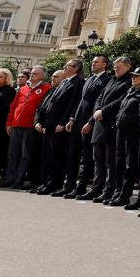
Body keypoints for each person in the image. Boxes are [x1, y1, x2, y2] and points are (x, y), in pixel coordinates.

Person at [0, 65, 51, 189]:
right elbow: (13, 106)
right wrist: (9, 123)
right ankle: (10, 177)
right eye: (32, 73)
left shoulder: (46, 88)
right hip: (16, 125)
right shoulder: (23, 89)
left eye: (35, 74)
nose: (32, 75)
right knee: (13, 153)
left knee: (25, 155)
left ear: (42, 76)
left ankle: (19, 179)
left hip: (30, 126)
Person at [88, 56, 132, 205]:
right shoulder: (112, 79)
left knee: (110, 161)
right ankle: (97, 188)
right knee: (98, 159)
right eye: (114, 67)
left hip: (111, 124)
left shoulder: (128, 81)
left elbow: (121, 101)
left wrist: (103, 111)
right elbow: (100, 96)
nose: (115, 69)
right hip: (100, 122)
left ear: (127, 67)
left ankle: (109, 190)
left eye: (118, 67)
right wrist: (97, 110)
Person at [70, 54, 113, 199]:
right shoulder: (89, 79)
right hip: (79, 121)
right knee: (77, 155)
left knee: (90, 157)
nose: (93, 64)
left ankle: (85, 187)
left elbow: (98, 103)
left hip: (92, 123)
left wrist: (90, 122)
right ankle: (74, 185)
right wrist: (72, 118)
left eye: (96, 62)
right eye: (92, 62)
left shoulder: (106, 80)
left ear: (104, 65)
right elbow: (81, 101)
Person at [47, 59, 86, 196]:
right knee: (54, 155)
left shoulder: (79, 82)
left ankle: (65, 185)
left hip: (62, 125)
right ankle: (53, 182)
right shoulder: (65, 81)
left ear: (76, 69)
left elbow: (73, 103)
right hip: (53, 122)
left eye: (67, 65)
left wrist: (63, 122)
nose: (64, 67)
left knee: (64, 156)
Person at [113, 65, 140, 208]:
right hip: (121, 129)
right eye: (132, 76)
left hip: (132, 131)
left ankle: (125, 194)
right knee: (119, 161)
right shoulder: (131, 90)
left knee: (130, 164)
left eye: (136, 76)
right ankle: (119, 191)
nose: (133, 78)